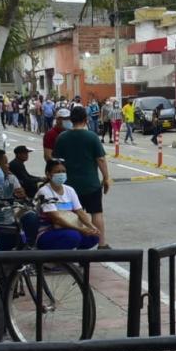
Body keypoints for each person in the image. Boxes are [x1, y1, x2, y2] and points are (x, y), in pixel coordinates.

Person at [51, 106, 111, 247]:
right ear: (86, 120)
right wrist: (106, 178)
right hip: (91, 184)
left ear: (71, 120)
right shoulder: (91, 136)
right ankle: (101, 244)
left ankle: (73, 242)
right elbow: (101, 159)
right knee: (96, 213)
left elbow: (55, 160)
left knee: (73, 214)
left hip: (69, 185)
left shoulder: (62, 138)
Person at [0, 148, 40, 251]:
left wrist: (22, 196)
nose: (8, 166)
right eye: (4, 163)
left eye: (7, 163)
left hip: (11, 222)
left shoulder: (11, 179)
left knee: (31, 217)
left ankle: (25, 250)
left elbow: (24, 200)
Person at [34, 160, 100, 250]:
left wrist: (91, 227)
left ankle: (79, 257)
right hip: (47, 232)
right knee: (74, 236)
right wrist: (80, 229)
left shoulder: (69, 190)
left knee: (93, 236)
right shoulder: (44, 192)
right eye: (57, 172)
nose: (61, 174)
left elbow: (79, 211)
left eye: (63, 172)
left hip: (67, 228)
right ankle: (55, 258)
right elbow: (57, 219)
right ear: (48, 174)